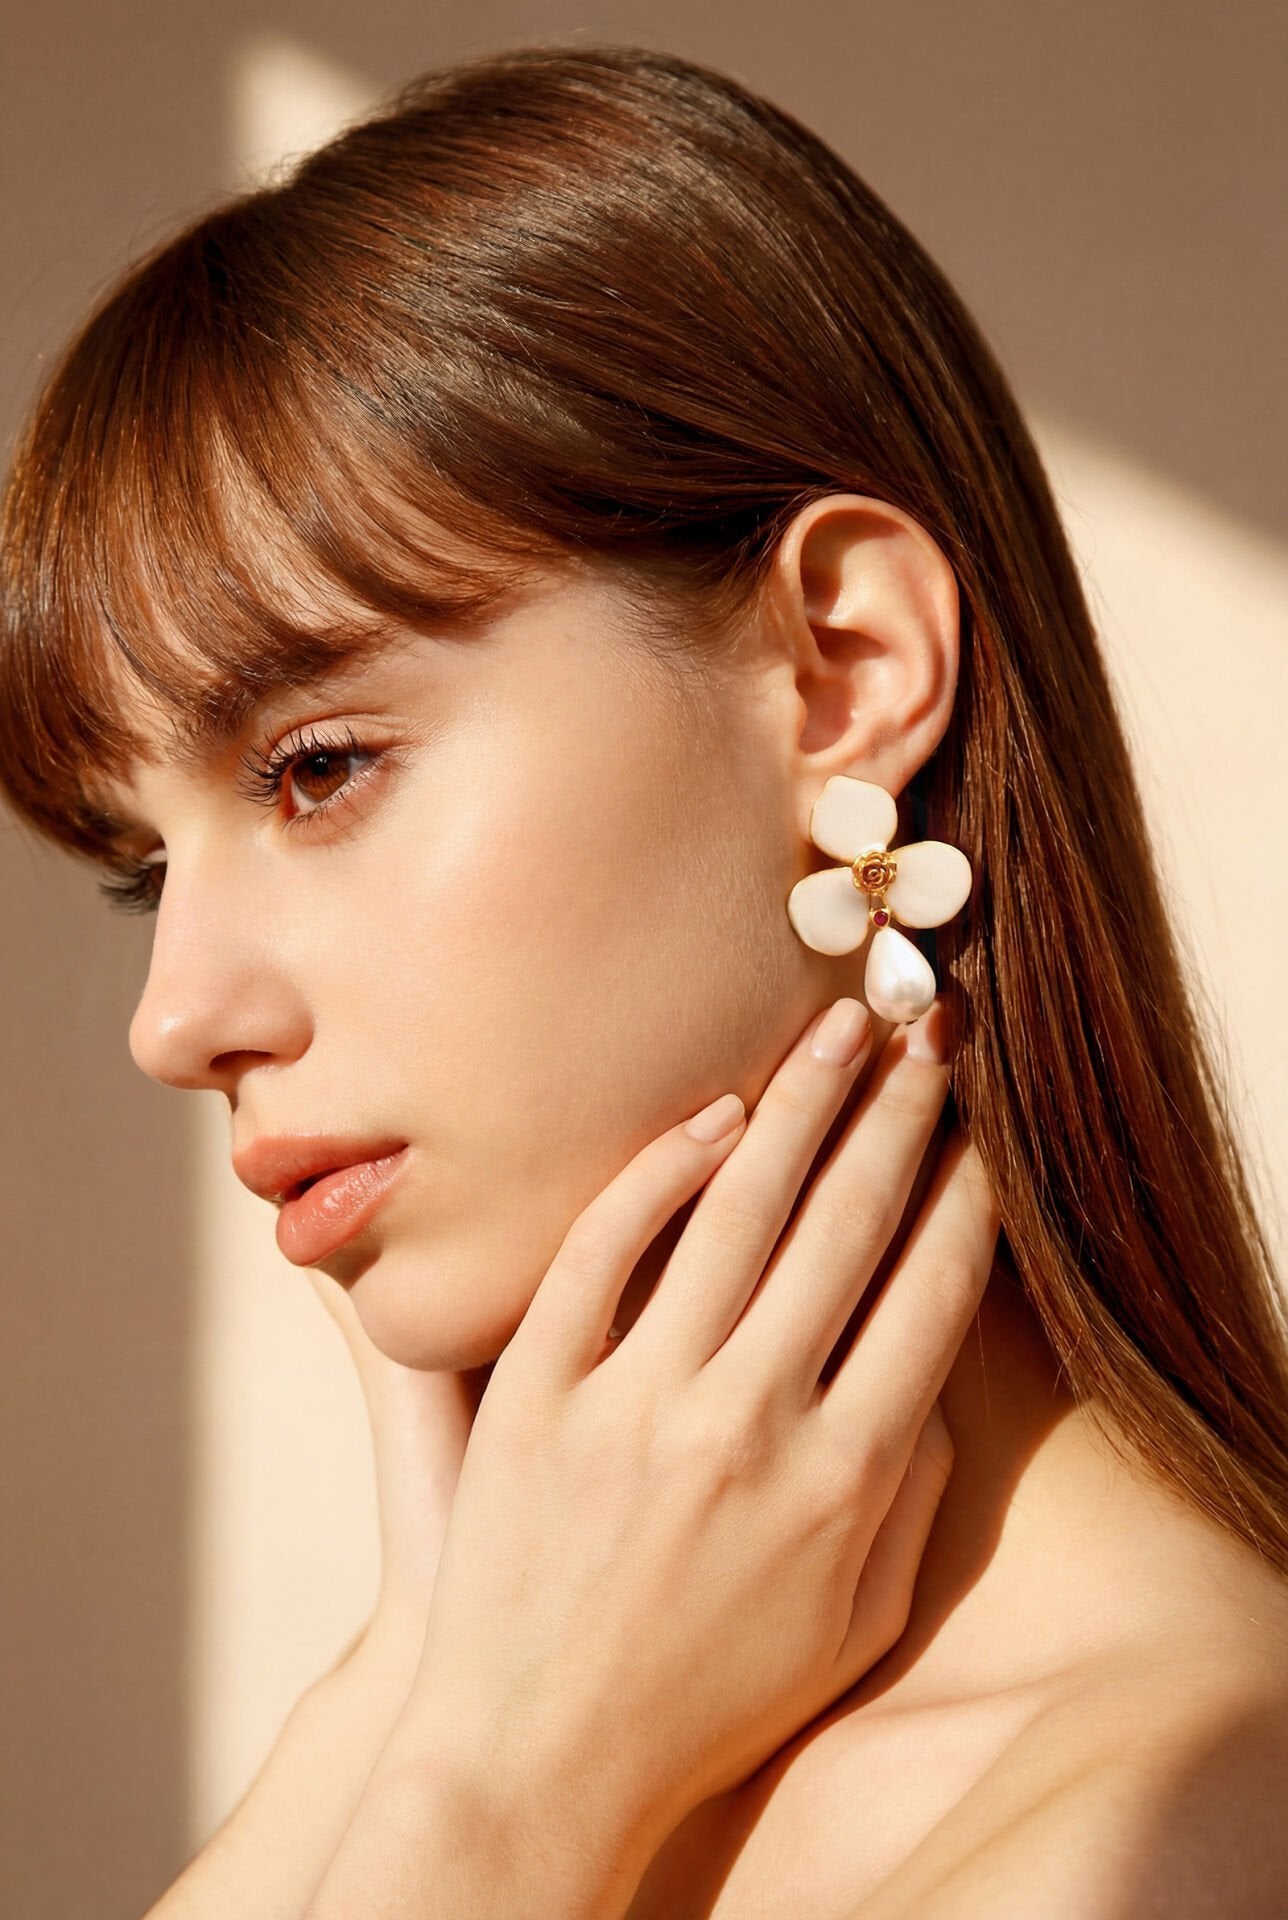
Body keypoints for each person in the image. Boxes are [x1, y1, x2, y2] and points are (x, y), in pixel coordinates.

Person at [2, 38, 1287, 1918]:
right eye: (144, 874)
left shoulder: (1171, 1834)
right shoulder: (438, 1732)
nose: (175, 1022)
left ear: (845, 670)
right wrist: (434, 1686)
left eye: (318, 769)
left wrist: (505, 1807)